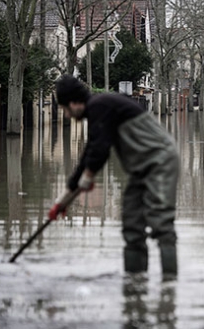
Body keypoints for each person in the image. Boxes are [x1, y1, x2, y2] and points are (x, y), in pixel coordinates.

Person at [50, 75, 179, 277]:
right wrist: (64, 200)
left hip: (160, 162)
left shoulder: (100, 106)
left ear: (74, 103)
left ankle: (170, 286)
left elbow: (100, 152)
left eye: (65, 109)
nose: (66, 115)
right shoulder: (99, 109)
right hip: (140, 168)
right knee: (132, 224)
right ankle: (135, 283)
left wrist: (87, 178)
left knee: (161, 222)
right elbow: (89, 154)